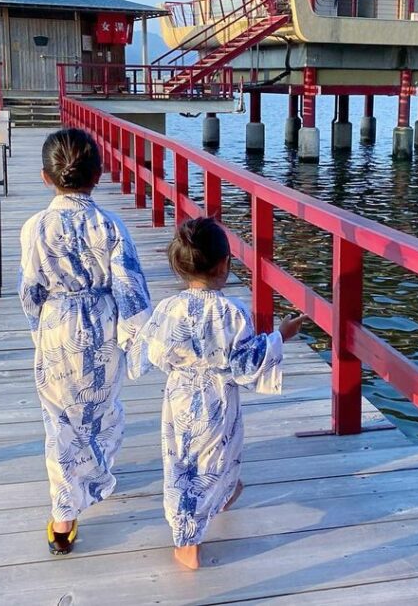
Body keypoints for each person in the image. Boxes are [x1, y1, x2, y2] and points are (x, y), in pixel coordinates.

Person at [131, 216, 306, 569]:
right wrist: (280, 336)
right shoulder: (232, 310)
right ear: (225, 264)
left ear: (178, 267)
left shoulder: (168, 308)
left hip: (179, 395)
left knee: (180, 462)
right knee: (216, 456)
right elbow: (244, 363)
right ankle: (189, 539)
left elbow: (154, 352)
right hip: (217, 399)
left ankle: (209, 506)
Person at [18, 128, 152, 556]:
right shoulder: (109, 225)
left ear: (45, 177)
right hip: (101, 322)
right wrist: (137, 341)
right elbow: (130, 288)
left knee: (57, 419)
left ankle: (64, 517)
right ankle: (94, 477)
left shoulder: (34, 227)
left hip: (57, 322)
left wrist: (38, 325)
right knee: (102, 410)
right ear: (98, 175)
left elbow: (30, 289)